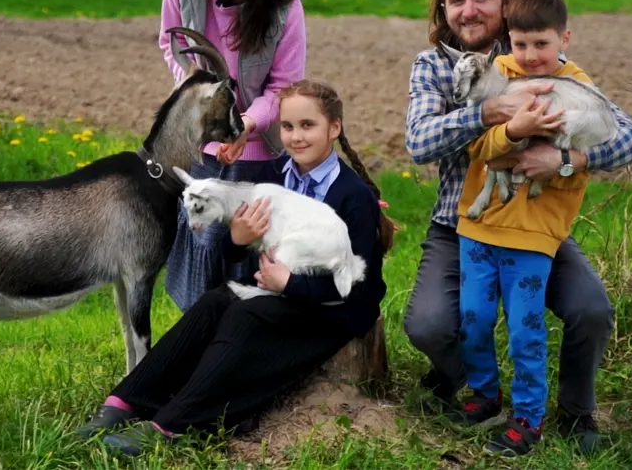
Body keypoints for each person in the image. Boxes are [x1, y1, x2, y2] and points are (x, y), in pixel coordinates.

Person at [402, 0, 632, 455]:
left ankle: (576, 412)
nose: (468, 9)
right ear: (444, 8)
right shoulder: (434, 65)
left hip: (532, 226)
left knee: (591, 310)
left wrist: (566, 159)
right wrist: (490, 113)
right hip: (461, 225)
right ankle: (471, 384)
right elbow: (419, 142)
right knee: (431, 325)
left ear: (506, 4)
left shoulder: (538, 56)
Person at [74, 80, 393, 457]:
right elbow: (234, 251)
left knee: (246, 317)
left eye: (308, 126)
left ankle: (173, 422)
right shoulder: (272, 174)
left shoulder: (352, 195)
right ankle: (126, 401)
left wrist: (290, 284)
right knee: (213, 302)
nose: (296, 136)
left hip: (329, 309)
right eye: (288, 127)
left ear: (334, 129)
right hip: (277, 289)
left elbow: (360, 286)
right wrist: (237, 239)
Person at [452, 0, 605, 457]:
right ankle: (484, 393)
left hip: (533, 235)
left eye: (541, 44)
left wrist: (562, 158)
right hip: (477, 228)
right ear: (507, 42)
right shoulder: (497, 76)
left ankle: (528, 416)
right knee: (473, 318)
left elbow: (608, 139)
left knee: (525, 328)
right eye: (521, 44)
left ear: (564, 38)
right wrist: (511, 132)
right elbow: (476, 147)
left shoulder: (578, 89)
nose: (530, 55)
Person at [157, 0, 307, 313]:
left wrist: (245, 125)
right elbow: (172, 45)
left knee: (244, 251)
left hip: (257, 150)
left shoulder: (284, 4)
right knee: (202, 240)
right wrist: (194, 89)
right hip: (200, 138)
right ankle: (196, 332)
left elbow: (283, 87)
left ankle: (240, 340)